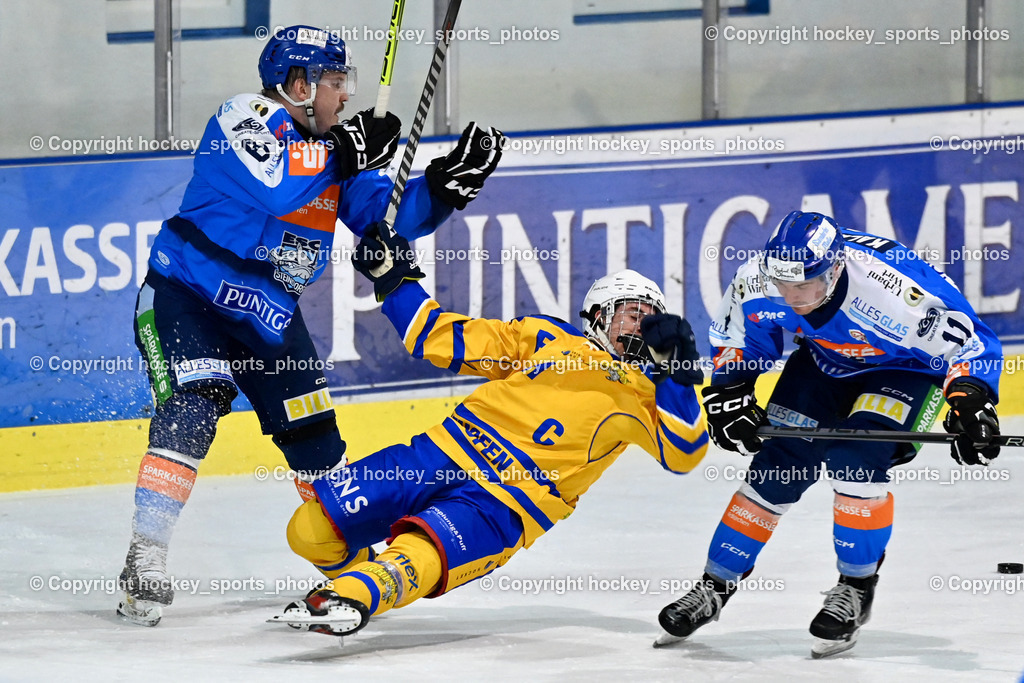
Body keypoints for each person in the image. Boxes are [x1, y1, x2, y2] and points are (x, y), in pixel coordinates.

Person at [117, 25, 504, 626]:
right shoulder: (242, 119)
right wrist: (348, 150)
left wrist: (444, 184)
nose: (345, 94)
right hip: (186, 296)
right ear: (296, 85)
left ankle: (346, 564)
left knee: (317, 442)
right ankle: (145, 555)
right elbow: (277, 186)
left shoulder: (333, 151)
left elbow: (386, 216)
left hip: (269, 318)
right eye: (333, 82)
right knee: (195, 403)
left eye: (345, 81)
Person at [270, 231, 709, 637]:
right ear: (599, 314)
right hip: (439, 451)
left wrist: (679, 374)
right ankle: (364, 577)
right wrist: (393, 277)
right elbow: (438, 336)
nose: (645, 326)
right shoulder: (548, 336)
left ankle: (353, 597)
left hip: (507, 501)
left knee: (418, 551)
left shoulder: (647, 393)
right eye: (635, 314)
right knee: (309, 531)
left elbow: (684, 453)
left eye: (654, 320)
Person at [656, 211, 1003, 658]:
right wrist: (731, 391)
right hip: (824, 362)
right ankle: (713, 585)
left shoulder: (895, 291)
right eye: (785, 286)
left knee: (854, 461)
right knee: (777, 467)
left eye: (805, 286)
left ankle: (856, 587)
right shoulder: (760, 279)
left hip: (906, 369)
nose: (793, 297)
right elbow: (741, 336)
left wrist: (969, 402)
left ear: (836, 268)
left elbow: (969, 342)